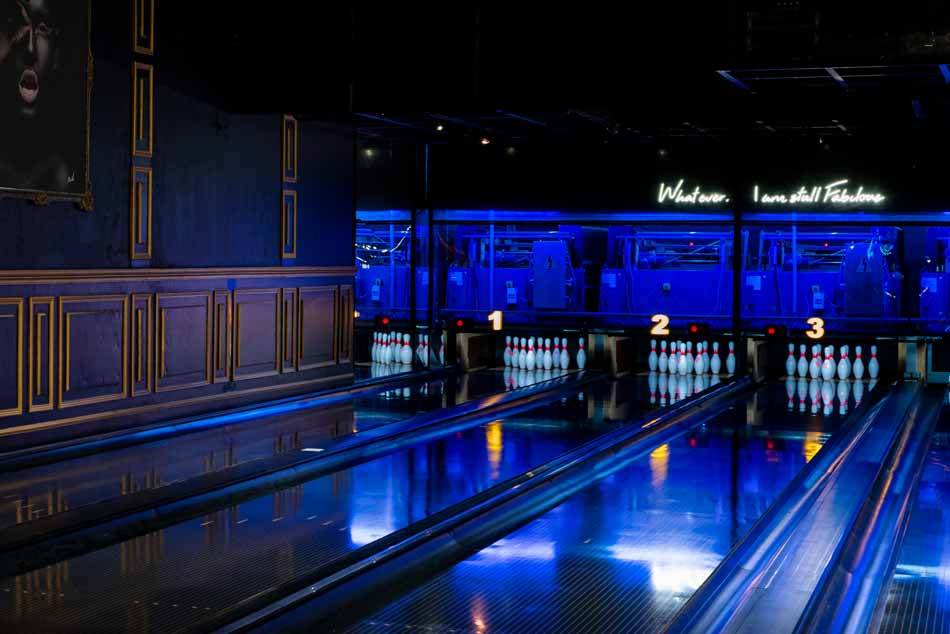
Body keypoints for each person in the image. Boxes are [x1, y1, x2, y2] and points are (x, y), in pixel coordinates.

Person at [0, 0, 83, 193]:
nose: (30, 50)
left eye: (43, 28)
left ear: (57, 53)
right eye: (16, 25)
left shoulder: (65, 172)